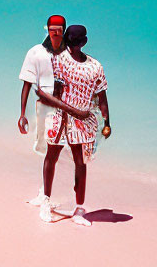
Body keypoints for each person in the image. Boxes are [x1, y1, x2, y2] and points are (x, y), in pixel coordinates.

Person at [35, 24, 111, 226]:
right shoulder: (60, 61)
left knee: (80, 163)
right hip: (60, 118)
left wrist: (107, 123)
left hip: (83, 122)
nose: (73, 47)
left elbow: (102, 97)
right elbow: (50, 95)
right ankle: (46, 201)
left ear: (83, 43)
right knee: (53, 156)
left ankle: (79, 209)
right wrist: (75, 111)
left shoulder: (95, 67)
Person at [17, 14, 80, 205]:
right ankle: (44, 192)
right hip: (44, 108)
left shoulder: (70, 54)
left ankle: (50, 196)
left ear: (64, 31)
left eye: (58, 31)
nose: (55, 34)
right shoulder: (36, 53)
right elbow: (27, 84)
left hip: (67, 110)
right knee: (46, 150)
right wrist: (22, 114)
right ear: (47, 30)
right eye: (51, 31)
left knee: (61, 151)